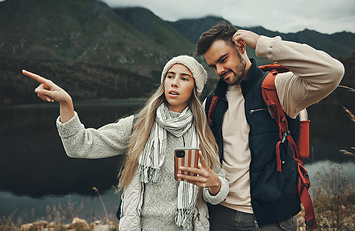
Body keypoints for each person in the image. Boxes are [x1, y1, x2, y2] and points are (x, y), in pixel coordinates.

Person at [23, 55, 229, 231]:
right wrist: (66, 103)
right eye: (170, 76)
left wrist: (214, 184)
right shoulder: (138, 126)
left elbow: (218, 192)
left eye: (184, 78)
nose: (174, 82)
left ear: (195, 88)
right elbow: (80, 145)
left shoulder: (203, 133)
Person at [195, 22, 345, 231]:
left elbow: (332, 71)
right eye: (213, 66)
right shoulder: (211, 103)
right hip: (220, 215)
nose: (219, 70)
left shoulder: (278, 88)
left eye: (223, 60)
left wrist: (263, 43)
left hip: (271, 220)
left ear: (241, 47)